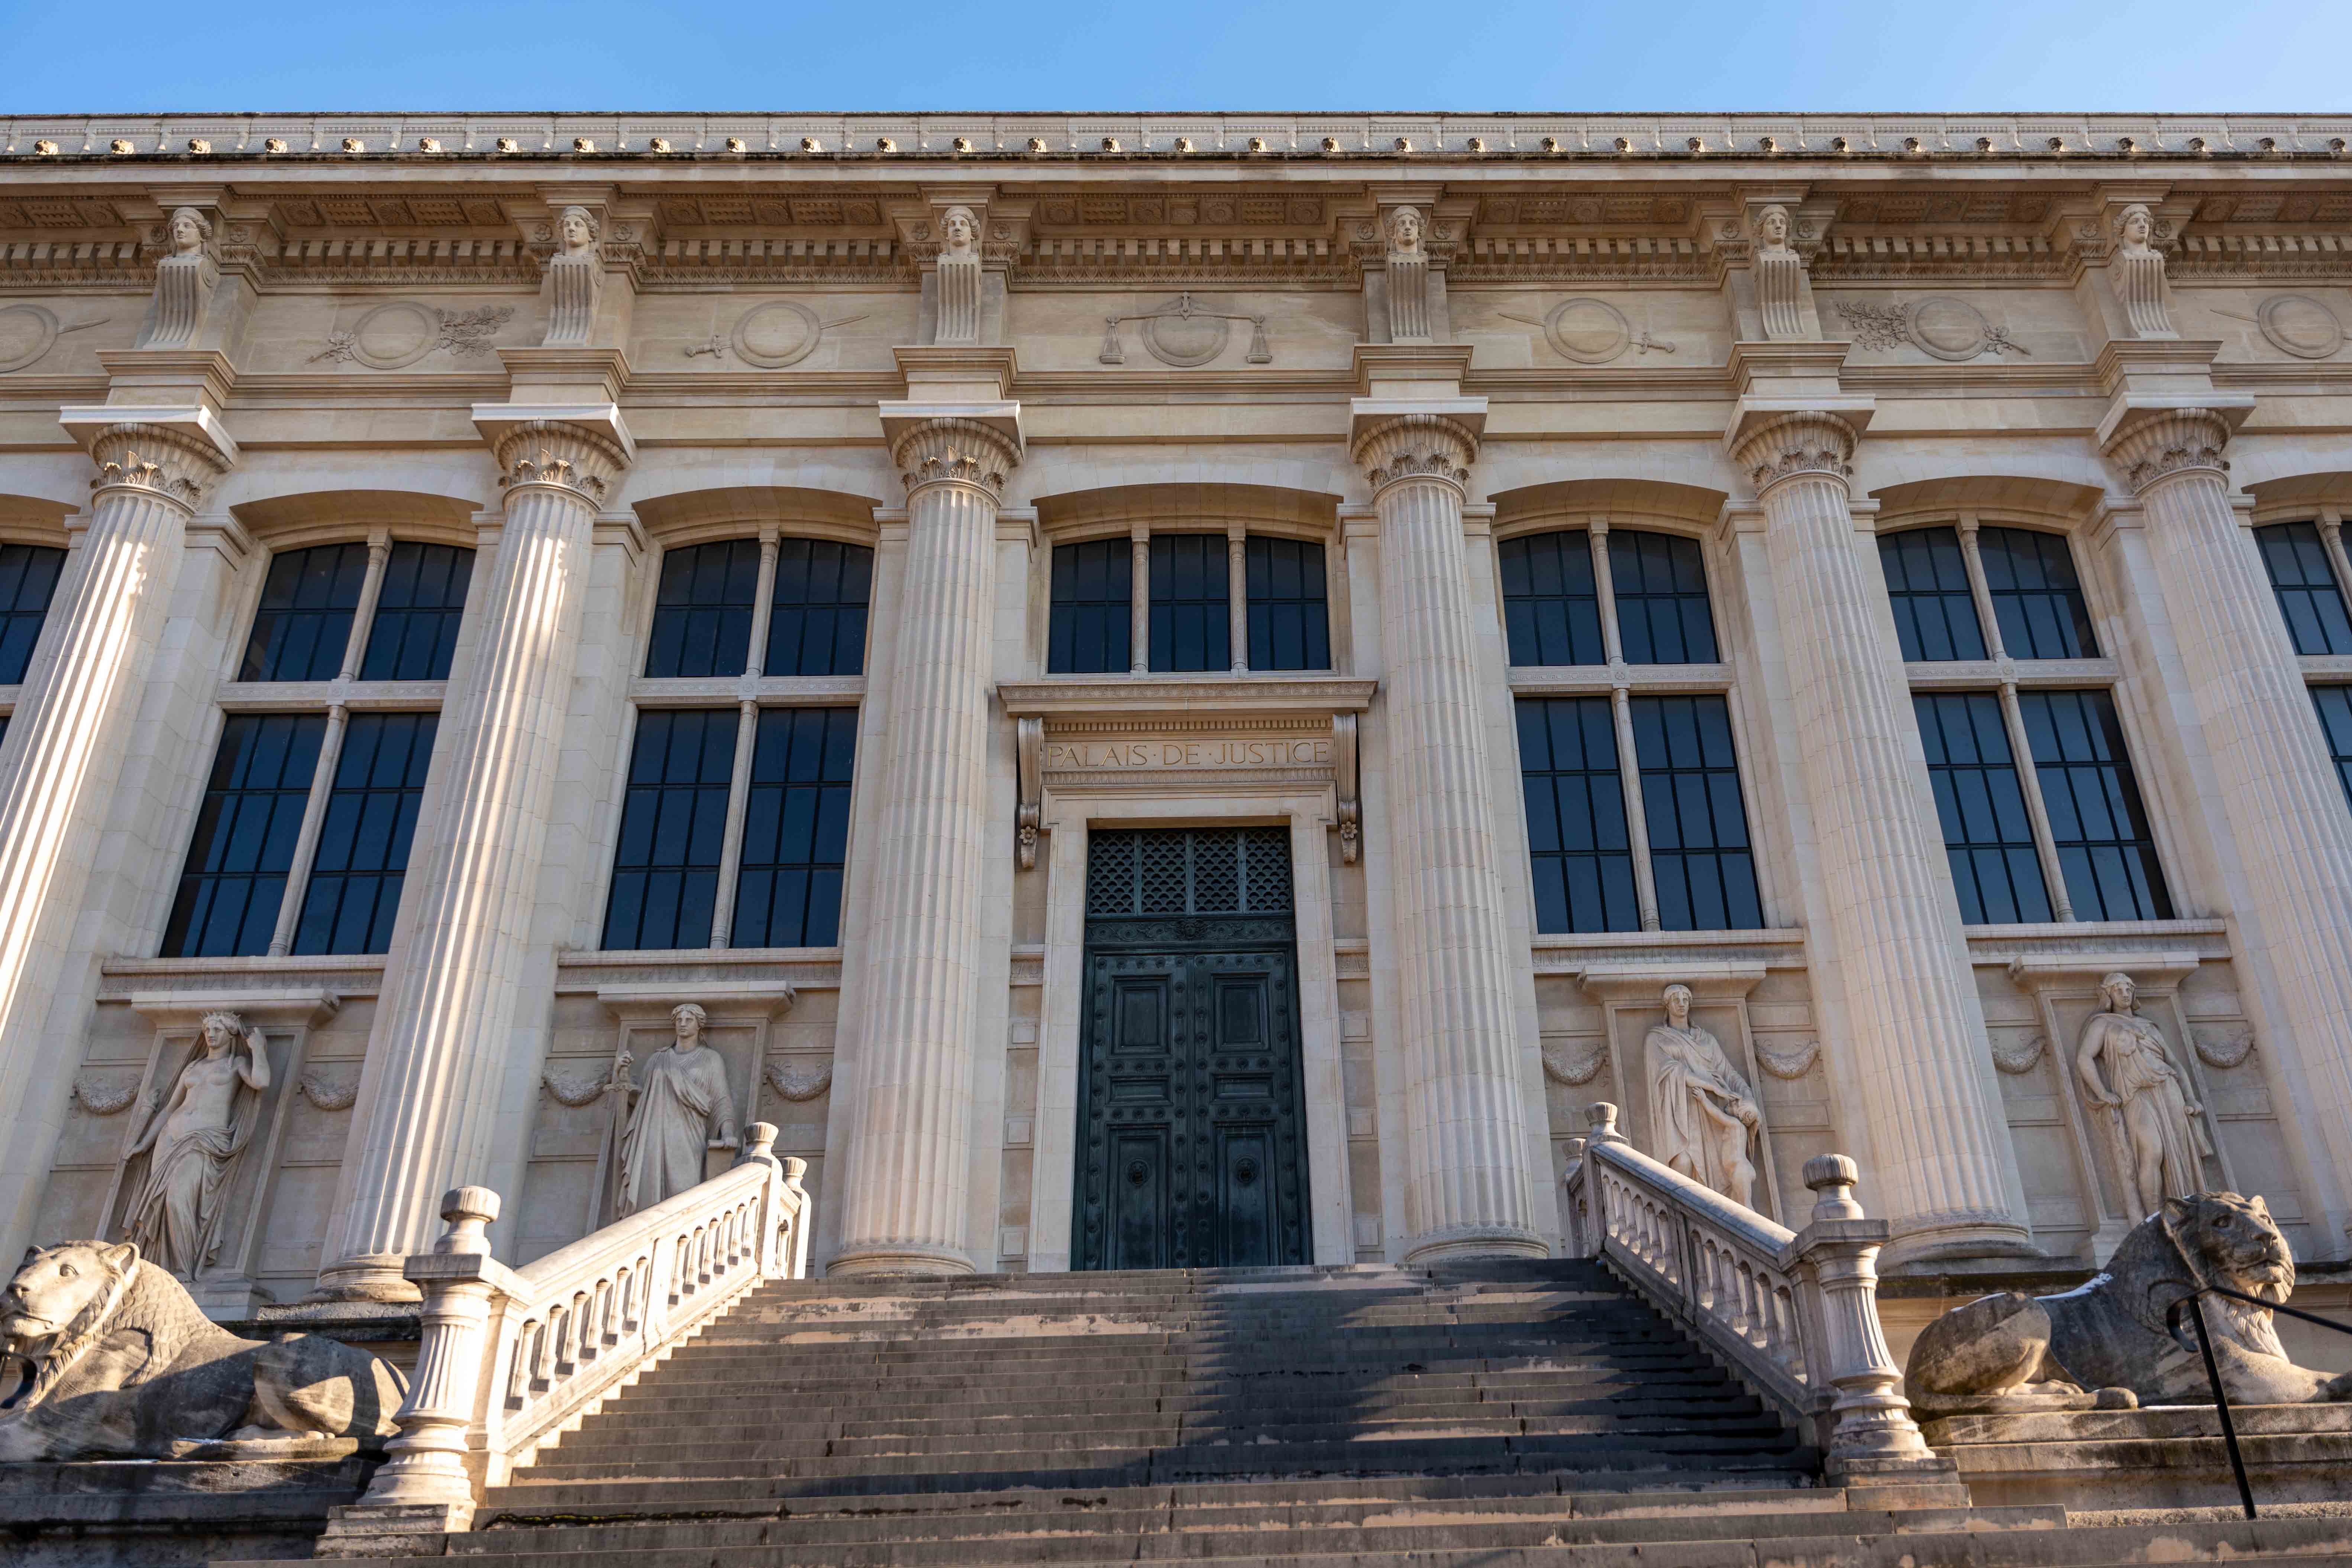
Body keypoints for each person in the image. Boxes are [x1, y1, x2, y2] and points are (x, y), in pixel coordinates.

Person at [121, 1012, 268, 1277]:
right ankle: (160, 1269)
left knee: (179, 1198)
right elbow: (169, 1109)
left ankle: (184, 1270)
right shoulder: (193, 1068)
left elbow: (261, 1082)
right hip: (171, 1136)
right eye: (207, 1029)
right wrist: (144, 1143)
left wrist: (259, 1050)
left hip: (205, 1139)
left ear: (231, 1033)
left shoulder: (235, 1064)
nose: (211, 1034)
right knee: (162, 1202)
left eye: (218, 1029)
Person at [2076, 972, 2211, 1220]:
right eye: (2119, 989)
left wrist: (2190, 1098)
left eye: (2129, 989)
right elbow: (2084, 1058)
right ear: (2108, 995)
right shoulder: (2102, 1024)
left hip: (2168, 1089)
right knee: (2153, 1150)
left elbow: (2174, 1063)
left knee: (2177, 1153)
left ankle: (2187, 1216)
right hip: (2135, 1095)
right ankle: (2154, 1221)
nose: (2125, 993)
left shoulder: (2149, 1026)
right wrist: (2103, 1092)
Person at [1644, 985, 1763, 1208]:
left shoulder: (1706, 1040)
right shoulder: (1657, 1039)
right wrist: (1711, 1087)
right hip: (1681, 1111)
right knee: (1683, 1162)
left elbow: (1730, 1074)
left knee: (1725, 1171)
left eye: (1685, 999)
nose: (1681, 1003)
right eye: (1675, 999)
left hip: (1714, 1114)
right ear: (1667, 1005)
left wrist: (1748, 1099)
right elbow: (1668, 1070)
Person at [616, 1003, 739, 1216]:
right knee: (651, 1187)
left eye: (688, 1020)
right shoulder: (659, 1059)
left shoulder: (710, 1059)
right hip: (656, 1133)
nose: (682, 1024)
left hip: (689, 1133)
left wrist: (727, 1133)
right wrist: (624, 1075)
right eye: (679, 1020)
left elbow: (721, 1099)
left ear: (699, 1025)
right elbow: (643, 1099)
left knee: (686, 1189)